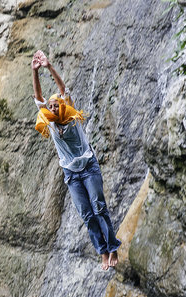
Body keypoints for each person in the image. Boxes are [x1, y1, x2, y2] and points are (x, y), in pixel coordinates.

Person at [31, 50, 121, 270]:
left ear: (62, 105)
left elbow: (62, 89)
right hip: (71, 174)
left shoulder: (71, 115)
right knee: (87, 214)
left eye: (56, 104)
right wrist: (34, 72)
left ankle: (112, 248)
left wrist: (49, 67)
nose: (52, 107)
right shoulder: (50, 122)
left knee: (99, 207)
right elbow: (39, 97)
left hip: (89, 166)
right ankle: (102, 252)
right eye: (50, 106)